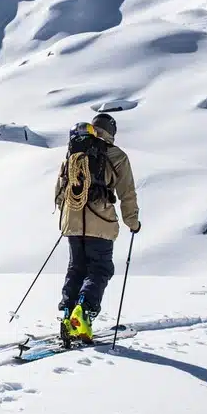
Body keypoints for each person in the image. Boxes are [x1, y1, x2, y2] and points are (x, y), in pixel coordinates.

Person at [54, 112, 139, 344]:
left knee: (76, 268)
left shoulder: (74, 150)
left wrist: (66, 217)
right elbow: (127, 193)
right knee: (100, 269)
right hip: (99, 219)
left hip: (72, 218)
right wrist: (132, 222)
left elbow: (60, 187)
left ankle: (67, 316)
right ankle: (83, 313)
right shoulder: (116, 155)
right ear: (111, 132)